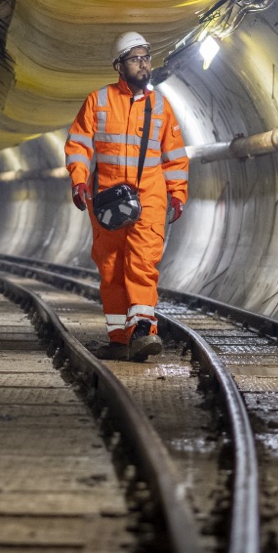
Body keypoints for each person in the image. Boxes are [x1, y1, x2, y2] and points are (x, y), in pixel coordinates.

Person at [63, 32, 189, 361]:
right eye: (136, 59)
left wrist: (177, 193)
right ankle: (119, 339)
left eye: (146, 57)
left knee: (142, 263)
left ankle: (144, 330)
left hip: (148, 195)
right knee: (111, 268)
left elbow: (175, 156)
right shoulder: (99, 100)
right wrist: (79, 180)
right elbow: (78, 143)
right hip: (106, 197)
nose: (144, 64)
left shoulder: (160, 105)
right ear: (119, 66)